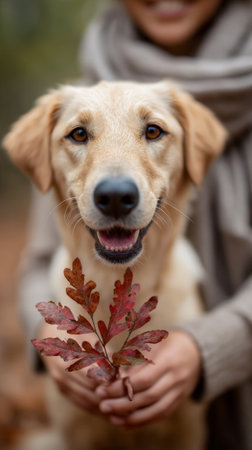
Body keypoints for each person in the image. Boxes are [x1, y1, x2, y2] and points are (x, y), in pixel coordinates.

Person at [18, 0, 252, 449]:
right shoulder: (63, 113)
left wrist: (209, 349)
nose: (115, 190)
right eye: (81, 136)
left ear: (194, 152)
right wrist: (49, 332)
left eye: (152, 132)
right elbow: (39, 266)